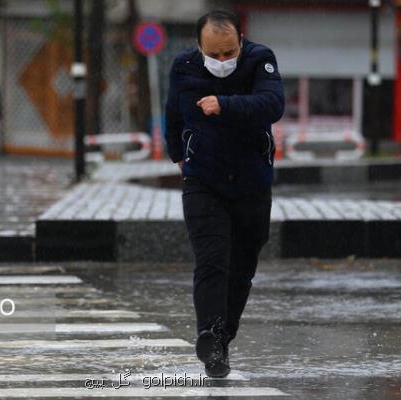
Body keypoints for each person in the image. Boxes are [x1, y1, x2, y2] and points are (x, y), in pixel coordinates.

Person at [164, 9, 284, 378]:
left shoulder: (260, 60)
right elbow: (173, 117)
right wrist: (178, 156)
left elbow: (273, 104)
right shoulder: (183, 67)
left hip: (251, 183)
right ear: (199, 47)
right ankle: (209, 336)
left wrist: (225, 103)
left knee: (242, 267)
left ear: (240, 42)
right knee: (212, 259)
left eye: (228, 53)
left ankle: (222, 339)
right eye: (213, 54)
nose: (221, 61)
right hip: (204, 182)